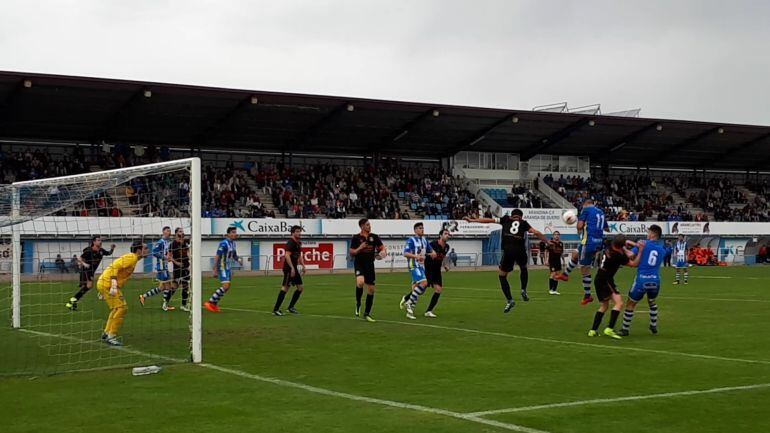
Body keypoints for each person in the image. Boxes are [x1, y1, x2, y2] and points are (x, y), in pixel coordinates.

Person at [465, 209, 549, 313]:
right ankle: (523, 289)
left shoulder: (505, 219)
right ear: (521, 217)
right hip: (520, 251)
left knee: (502, 276)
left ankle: (510, 300)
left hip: (508, 251)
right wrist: (547, 242)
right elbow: (535, 232)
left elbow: (489, 220)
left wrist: (473, 220)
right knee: (523, 267)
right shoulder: (524, 223)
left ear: (511, 215)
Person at [588, 235, 643, 339]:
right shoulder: (618, 256)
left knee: (604, 306)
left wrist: (632, 245)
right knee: (619, 303)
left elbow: (623, 242)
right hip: (606, 279)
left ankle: (593, 330)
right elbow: (634, 264)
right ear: (622, 245)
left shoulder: (609, 245)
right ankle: (609, 329)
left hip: (599, 277)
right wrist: (640, 251)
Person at [556, 199, 609, 305]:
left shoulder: (586, 210)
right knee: (575, 254)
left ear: (585, 204)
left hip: (588, 242)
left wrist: (579, 224)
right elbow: (607, 229)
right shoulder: (601, 212)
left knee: (585, 268)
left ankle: (588, 295)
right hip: (598, 242)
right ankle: (565, 274)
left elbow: (579, 227)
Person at [96, 241, 148, 346]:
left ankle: (106, 333)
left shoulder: (134, 258)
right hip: (108, 283)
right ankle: (111, 335)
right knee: (122, 308)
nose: (148, 250)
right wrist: (114, 283)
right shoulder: (132, 258)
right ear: (139, 250)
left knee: (116, 308)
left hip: (105, 282)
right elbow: (115, 267)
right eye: (146, 248)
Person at [620, 225, 667, 336]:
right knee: (652, 301)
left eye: (648, 232)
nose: (647, 234)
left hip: (642, 279)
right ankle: (653, 325)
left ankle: (625, 329)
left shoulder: (643, 244)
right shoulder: (662, 250)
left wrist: (623, 247)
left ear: (652, 234)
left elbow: (631, 255)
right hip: (655, 280)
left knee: (631, 303)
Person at [350, 218, 386, 322]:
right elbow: (352, 252)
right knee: (360, 282)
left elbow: (382, 248)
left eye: (369, 224)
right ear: (362, 226)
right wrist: (359, 248)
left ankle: (367, 313)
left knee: (371, 290)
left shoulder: (374, 237)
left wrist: (383, 252)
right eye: (367, 225)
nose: (369, 226)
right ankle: (358, 303)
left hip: (370, 265)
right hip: (359, 264)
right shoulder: (356, 238)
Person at [65, 236, 115, 311]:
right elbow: (79, 258)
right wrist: (84, 264)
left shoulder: (101, 251)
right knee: (89, 285)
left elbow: (109, 253)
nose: (100, 241)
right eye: (98, 240)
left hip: (91, 271)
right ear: (94, 242)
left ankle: (73, 301)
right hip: (86, 270)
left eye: (100, 240)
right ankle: (72, 301)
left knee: (88, 287)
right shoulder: (89, 250)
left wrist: (112, 248)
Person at [399, 222, 437, 320]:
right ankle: (408, 302)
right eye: (420, 228)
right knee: (424, 283)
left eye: (423, 228)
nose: (422, 230)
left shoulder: (424, 240)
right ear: (415, 230)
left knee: (418, 289)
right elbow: (405, 253)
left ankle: (409, 312)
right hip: (414, 265)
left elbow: (431, 250)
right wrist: (416, 256)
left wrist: (433, 253)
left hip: (421, 266)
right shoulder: (411, 240)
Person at [205, 226, 241, 313]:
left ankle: (214, 303)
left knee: (227, 287)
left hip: (228, 267)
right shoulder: (223, 243)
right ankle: (210, 302)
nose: (235, 234)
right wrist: (215, 269)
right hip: (222, 267)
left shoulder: (233, 243)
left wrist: (238, 259)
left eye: (235, 232)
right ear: (228, 234)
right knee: (226, 286)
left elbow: (234, 254)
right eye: (233, 232)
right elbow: (218, 256)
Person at [139, 226, 175, 311]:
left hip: (164, 266)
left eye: (170, 231)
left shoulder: (167, 242)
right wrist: (164, 258)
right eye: (167, 231)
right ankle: (165, 305)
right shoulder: (161, 242)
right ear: (163, 232)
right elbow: (154, 252)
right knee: (168, 287)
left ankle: (143, 296)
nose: (169, 233)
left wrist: (168, 258)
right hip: (162, 267)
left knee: (161, 288)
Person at [273, 225, 305, 315]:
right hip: (289, 269)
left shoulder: (298, 243)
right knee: (285, 288)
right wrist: (291, 268)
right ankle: (276, 309)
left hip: (294, 268)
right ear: (293, 233)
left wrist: (303, 265)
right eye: (297, 231)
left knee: (300, 288)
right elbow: (287, 255)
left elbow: (299, 255)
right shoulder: (290, 243)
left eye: (300, 231)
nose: (299, 233)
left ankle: (291, 307)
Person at [423, 228, 451, 318]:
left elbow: (442, 257)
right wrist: (430, 254)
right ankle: (407, 299)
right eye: (445, 233)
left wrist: (445, 265)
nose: (447, 235)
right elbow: (425, 254)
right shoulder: (433, 244)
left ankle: (428, 311)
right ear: (440, 235)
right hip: (429, 269)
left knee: (439, 289)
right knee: (421, 288)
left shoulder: (447, 247)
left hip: (437, 270)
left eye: (448, 234)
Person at [169, 227, 191, 312]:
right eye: (180, 231)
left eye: (183, 231)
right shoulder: (173, 244)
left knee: (186, 286)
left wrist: (190, 261)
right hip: (177, 268)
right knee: (174, 287)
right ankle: (165, 302)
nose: (182, 233)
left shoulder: (186, 242)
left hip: (186, 266)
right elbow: (169, 257)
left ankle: (183, 305)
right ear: (176, 233)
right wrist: (176, 262)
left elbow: (188, 252)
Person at [546, 231, 564, 295]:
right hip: (552, 261)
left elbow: (561, 253)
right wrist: (546, 260)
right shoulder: (550, 243)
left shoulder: (561, 244)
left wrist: (563, 261)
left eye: (558, 235)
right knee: (553, 274)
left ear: (559, 236)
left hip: (558, 261)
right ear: (553, 236)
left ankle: (554, 290)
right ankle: (550, 290)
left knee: (557, 275)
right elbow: (546, 251)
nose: (557, 236)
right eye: (555, 234)